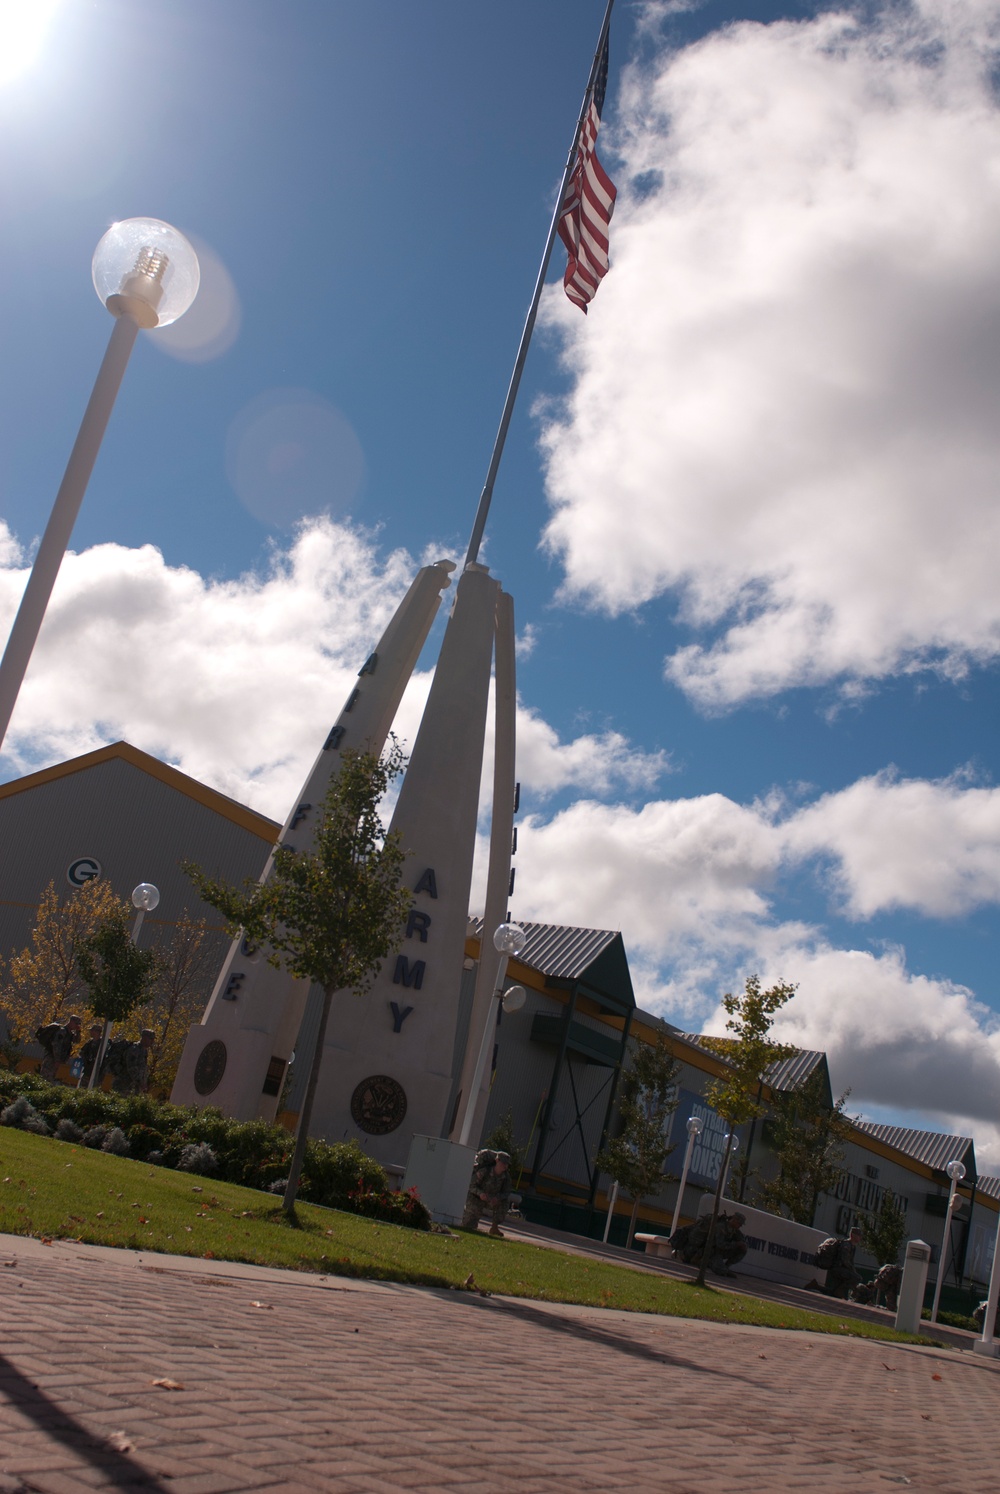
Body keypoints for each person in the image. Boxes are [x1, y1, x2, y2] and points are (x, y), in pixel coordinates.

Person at [672, 1210, 748, 1277]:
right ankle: (695, 1258)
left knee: (742, 1250)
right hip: (704, 1251)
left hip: (715, 1252)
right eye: (739, 1223)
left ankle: (725, 1267)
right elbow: (720, 1244)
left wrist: (741, 1244)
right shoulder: (720, 1227)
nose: (740, 1226)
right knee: (721, 1271)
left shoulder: (733, 1230)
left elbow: (741, 1240)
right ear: (734, 1220)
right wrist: (736, 1244)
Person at [460, 1149, 512, 1238]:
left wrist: (497, 1198)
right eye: (503, 1163)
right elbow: (471, 1186)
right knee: (469, 1226)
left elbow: (506, 1193)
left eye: (507, 1164)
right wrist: (480, 1194)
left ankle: (494, 1227)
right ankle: (470, 1222)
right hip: (477, 1198)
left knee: (504, 1202)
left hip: (492, 1199)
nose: (505, 1166)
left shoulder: (506, 1177)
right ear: (497, 1161)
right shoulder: (484, 1171)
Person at [35, 1014, 81, 1082]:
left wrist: (78, 1031)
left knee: (50, 1077)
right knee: (45, 1077)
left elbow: (77, 1041)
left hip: (56, 1059)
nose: (77, 1025)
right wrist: (57, 1060)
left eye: (78, 1024)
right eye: (76, 1023)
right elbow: (56, 1045)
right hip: (51, 1057)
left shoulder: (69, 1034)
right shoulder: (62, 1031)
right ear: (71, 1021)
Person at [824, 1227, 862, 1299]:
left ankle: (837, 1291)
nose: (860, 1238)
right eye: (858, 1235)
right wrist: (852, 1271)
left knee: (833, 1292)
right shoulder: (846, 1245)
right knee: (857, 1278)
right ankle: (839, 1291)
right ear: (853, 1235)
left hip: (842, 1269)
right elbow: (845, 1261)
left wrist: (853, 1270)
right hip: (838, 1268)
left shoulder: (852, 1247)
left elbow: (851, 1262)